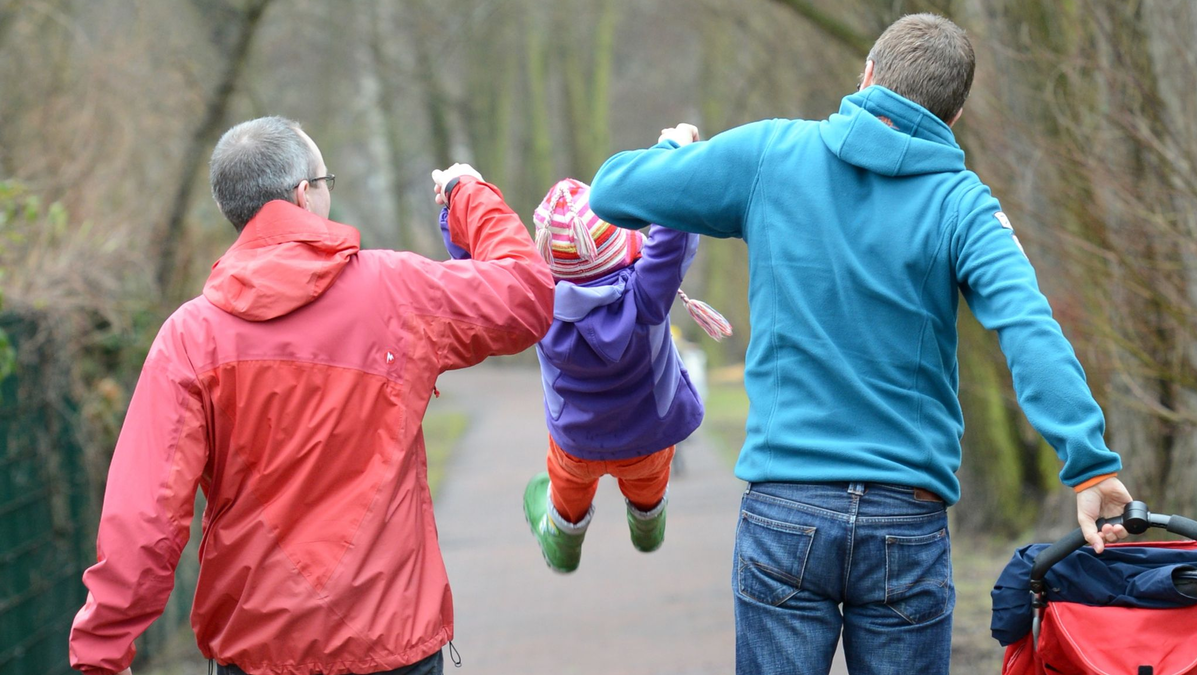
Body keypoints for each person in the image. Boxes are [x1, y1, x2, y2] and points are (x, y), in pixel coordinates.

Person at [588, 14, 1133, 675]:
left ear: (868, 74)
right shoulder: (962, 205)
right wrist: (1090, 464)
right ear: (953, 116)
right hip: (906, 519)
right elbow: (1028, 325)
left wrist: (678, 152)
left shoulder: (767, 155)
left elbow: (613, 190)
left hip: (786, 507)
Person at [67, 116, 554, 675]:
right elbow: (528, 295)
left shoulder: (190, 336)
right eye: (327, 182)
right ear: (304, 194)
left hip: (257, 646)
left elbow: (145, 512)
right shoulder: (394, 290)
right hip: (388, 638)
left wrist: (104, 649)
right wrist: (470, 196)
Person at [439, 177, 728, 573]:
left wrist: (456, 202)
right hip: (650, 438)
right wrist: (675, 150)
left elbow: (479, 270)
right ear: (619, 244)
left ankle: (564, 541)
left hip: (576, 445)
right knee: (649, 479)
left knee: (567, 489)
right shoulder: (647, 294)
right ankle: (647, 524)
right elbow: (673, 235)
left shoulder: (537, 305)